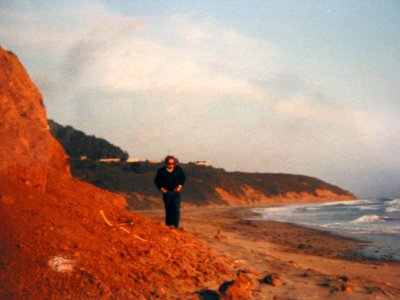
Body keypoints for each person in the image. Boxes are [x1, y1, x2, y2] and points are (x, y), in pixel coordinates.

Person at [154, 155, 186, 228]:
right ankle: (168, 225)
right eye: (169, 163)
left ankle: (175, 226)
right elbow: (157, 181)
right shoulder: (161, 171)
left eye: (172, 163)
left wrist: (179, 186)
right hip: (167, 193)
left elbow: (183, 178)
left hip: (176, 192)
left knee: (176, 209)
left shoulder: (178, 169)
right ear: (166, 163)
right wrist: (162, 189)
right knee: (168, 209)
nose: (171, 165)